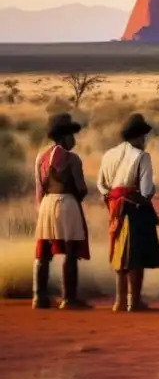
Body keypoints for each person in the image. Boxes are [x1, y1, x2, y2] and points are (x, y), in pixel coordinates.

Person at [97, 113, 159, 312]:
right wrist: (148, 193)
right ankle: (133, 301)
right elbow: (145, 190)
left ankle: (119, 301)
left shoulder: (108, 155)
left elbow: (101, 185)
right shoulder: (142, 157)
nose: (144, 140)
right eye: (143, 136)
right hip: (135, 208)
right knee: (136, 256)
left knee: (119, 253)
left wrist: (113, 199)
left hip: (114, 208)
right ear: (138, 136)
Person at [33, 113, 91, 310]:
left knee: (43, 252)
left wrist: (43, 207)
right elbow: (81, 188)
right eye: (71, 136)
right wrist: (76, 198)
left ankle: (39, 297)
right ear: (64, 136)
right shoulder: (72, 159)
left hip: (46, 204)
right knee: (70, 250)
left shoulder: (41, 158)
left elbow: (39, 188)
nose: (73, 140)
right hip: (67, 203)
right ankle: (69, 298)